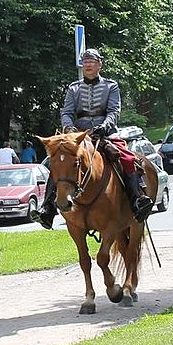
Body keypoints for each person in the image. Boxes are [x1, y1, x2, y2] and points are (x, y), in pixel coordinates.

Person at [31, 48, 153, 228]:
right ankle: (48, 207)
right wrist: (68, 128)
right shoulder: (74, 88)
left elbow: (113, 111)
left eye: (92, 61)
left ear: (99, 64)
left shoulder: (111, 86)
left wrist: (104, 127)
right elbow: (67, 112)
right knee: (57, 162)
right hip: (79, 135)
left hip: (105, 132)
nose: (88, 65)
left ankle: (136, 199)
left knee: (126, 157)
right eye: (85, 62)